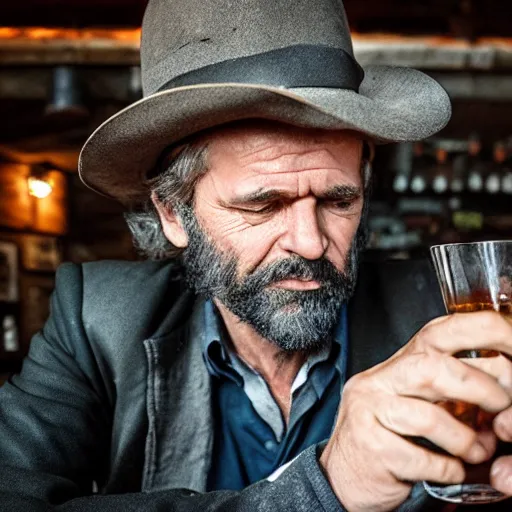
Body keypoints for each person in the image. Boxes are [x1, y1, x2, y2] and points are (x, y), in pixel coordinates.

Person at [1, 0, 512, 511]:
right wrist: (324, 487)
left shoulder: (449, 315)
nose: (310, 243)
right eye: (263, 205)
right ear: (174, 213)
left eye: (339, 200)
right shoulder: (95, 321)